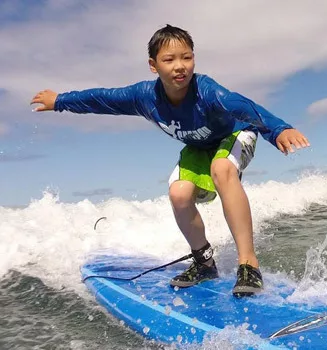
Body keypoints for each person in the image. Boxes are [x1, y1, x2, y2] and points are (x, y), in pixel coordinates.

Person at [30, 24, 310, 298]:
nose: (180, 66)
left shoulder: (207, 91)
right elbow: (103, 99)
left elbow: (243, 106)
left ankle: (248, 265)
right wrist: (60, 101)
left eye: (186, 57)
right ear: (154, 65)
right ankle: (204, 262)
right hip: (199, 146)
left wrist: (278, 130)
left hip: (235, 134)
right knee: (178, 194)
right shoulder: (144, 97)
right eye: (170, 59)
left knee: (222, 169)